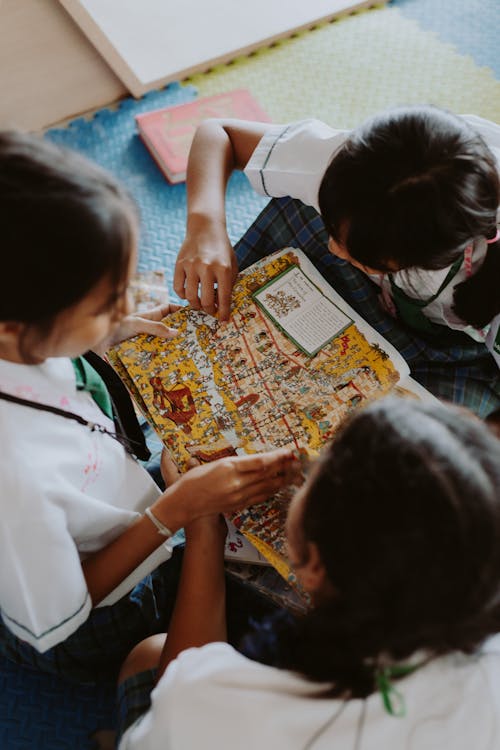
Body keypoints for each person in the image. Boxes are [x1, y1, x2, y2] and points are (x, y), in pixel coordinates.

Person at [0, 131, 299, 683]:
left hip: (108, 501)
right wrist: (177, 512)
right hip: (93, 612)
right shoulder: (14, 480)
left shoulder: (24, 343)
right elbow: (62, 614)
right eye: (103, 302)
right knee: (277, 614)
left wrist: (96, 334)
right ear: (14, 327)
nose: (126, 304)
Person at [116, 396, 500, 750]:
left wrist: (202, 526)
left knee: (147, 655)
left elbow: (182, 687)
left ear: (314, 566)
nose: (306, 466)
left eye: (315, 474)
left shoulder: (221, 708)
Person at [174, 106, 500, 415]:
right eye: (333, 229)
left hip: (446, 349)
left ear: (421, 261)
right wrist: (205, 225)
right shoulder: (360, 167)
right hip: (370, 281)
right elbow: (220, 134)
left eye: (350, 249)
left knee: (442, 438)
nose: (332, 247)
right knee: (302, 212)